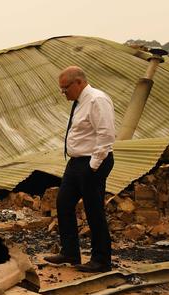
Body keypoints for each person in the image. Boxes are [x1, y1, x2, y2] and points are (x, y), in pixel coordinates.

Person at [44, 66, 116, 272]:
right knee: (64, 203)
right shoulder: (79, 102)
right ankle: (70, 253)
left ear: (79, 82)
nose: (63, 93)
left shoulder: (96, 100)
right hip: (76, 162)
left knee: (94, 211)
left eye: (65, 88)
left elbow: (106, 134)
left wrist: (93, 165)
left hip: (93, 162)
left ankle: (101, 260)